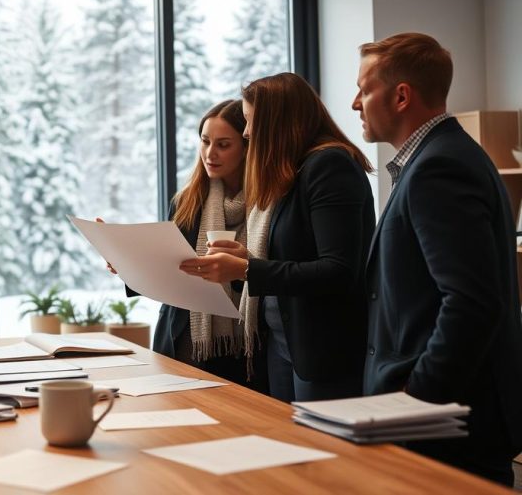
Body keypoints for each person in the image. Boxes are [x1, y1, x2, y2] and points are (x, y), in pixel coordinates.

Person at [353, 32, 522, 485]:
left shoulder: (438, 168)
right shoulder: (441, 157)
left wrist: (418, 398)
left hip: (446, 422)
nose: (355, 104)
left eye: (363, 89)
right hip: (441, 416)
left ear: (401, 95)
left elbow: (471, 302)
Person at [182, 73, 374, 403]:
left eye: (249, 120)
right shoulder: (293, 171)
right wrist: (247, 261)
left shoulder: (328, 166)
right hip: (285, 346)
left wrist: (246, 270)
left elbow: (338, 270)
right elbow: (293, 260)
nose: (246, 132)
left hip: (321, 351)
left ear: (277, 122)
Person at [106, 100, 267, 391]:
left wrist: (239, 270)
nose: (210, 153)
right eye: (205, 142)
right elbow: (170, 269)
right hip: (183, 341)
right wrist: (126, 263)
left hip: (248, 348)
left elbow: (270, 276)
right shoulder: (187, 201)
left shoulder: (267, 205)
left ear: (246, 147)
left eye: (223, 144)